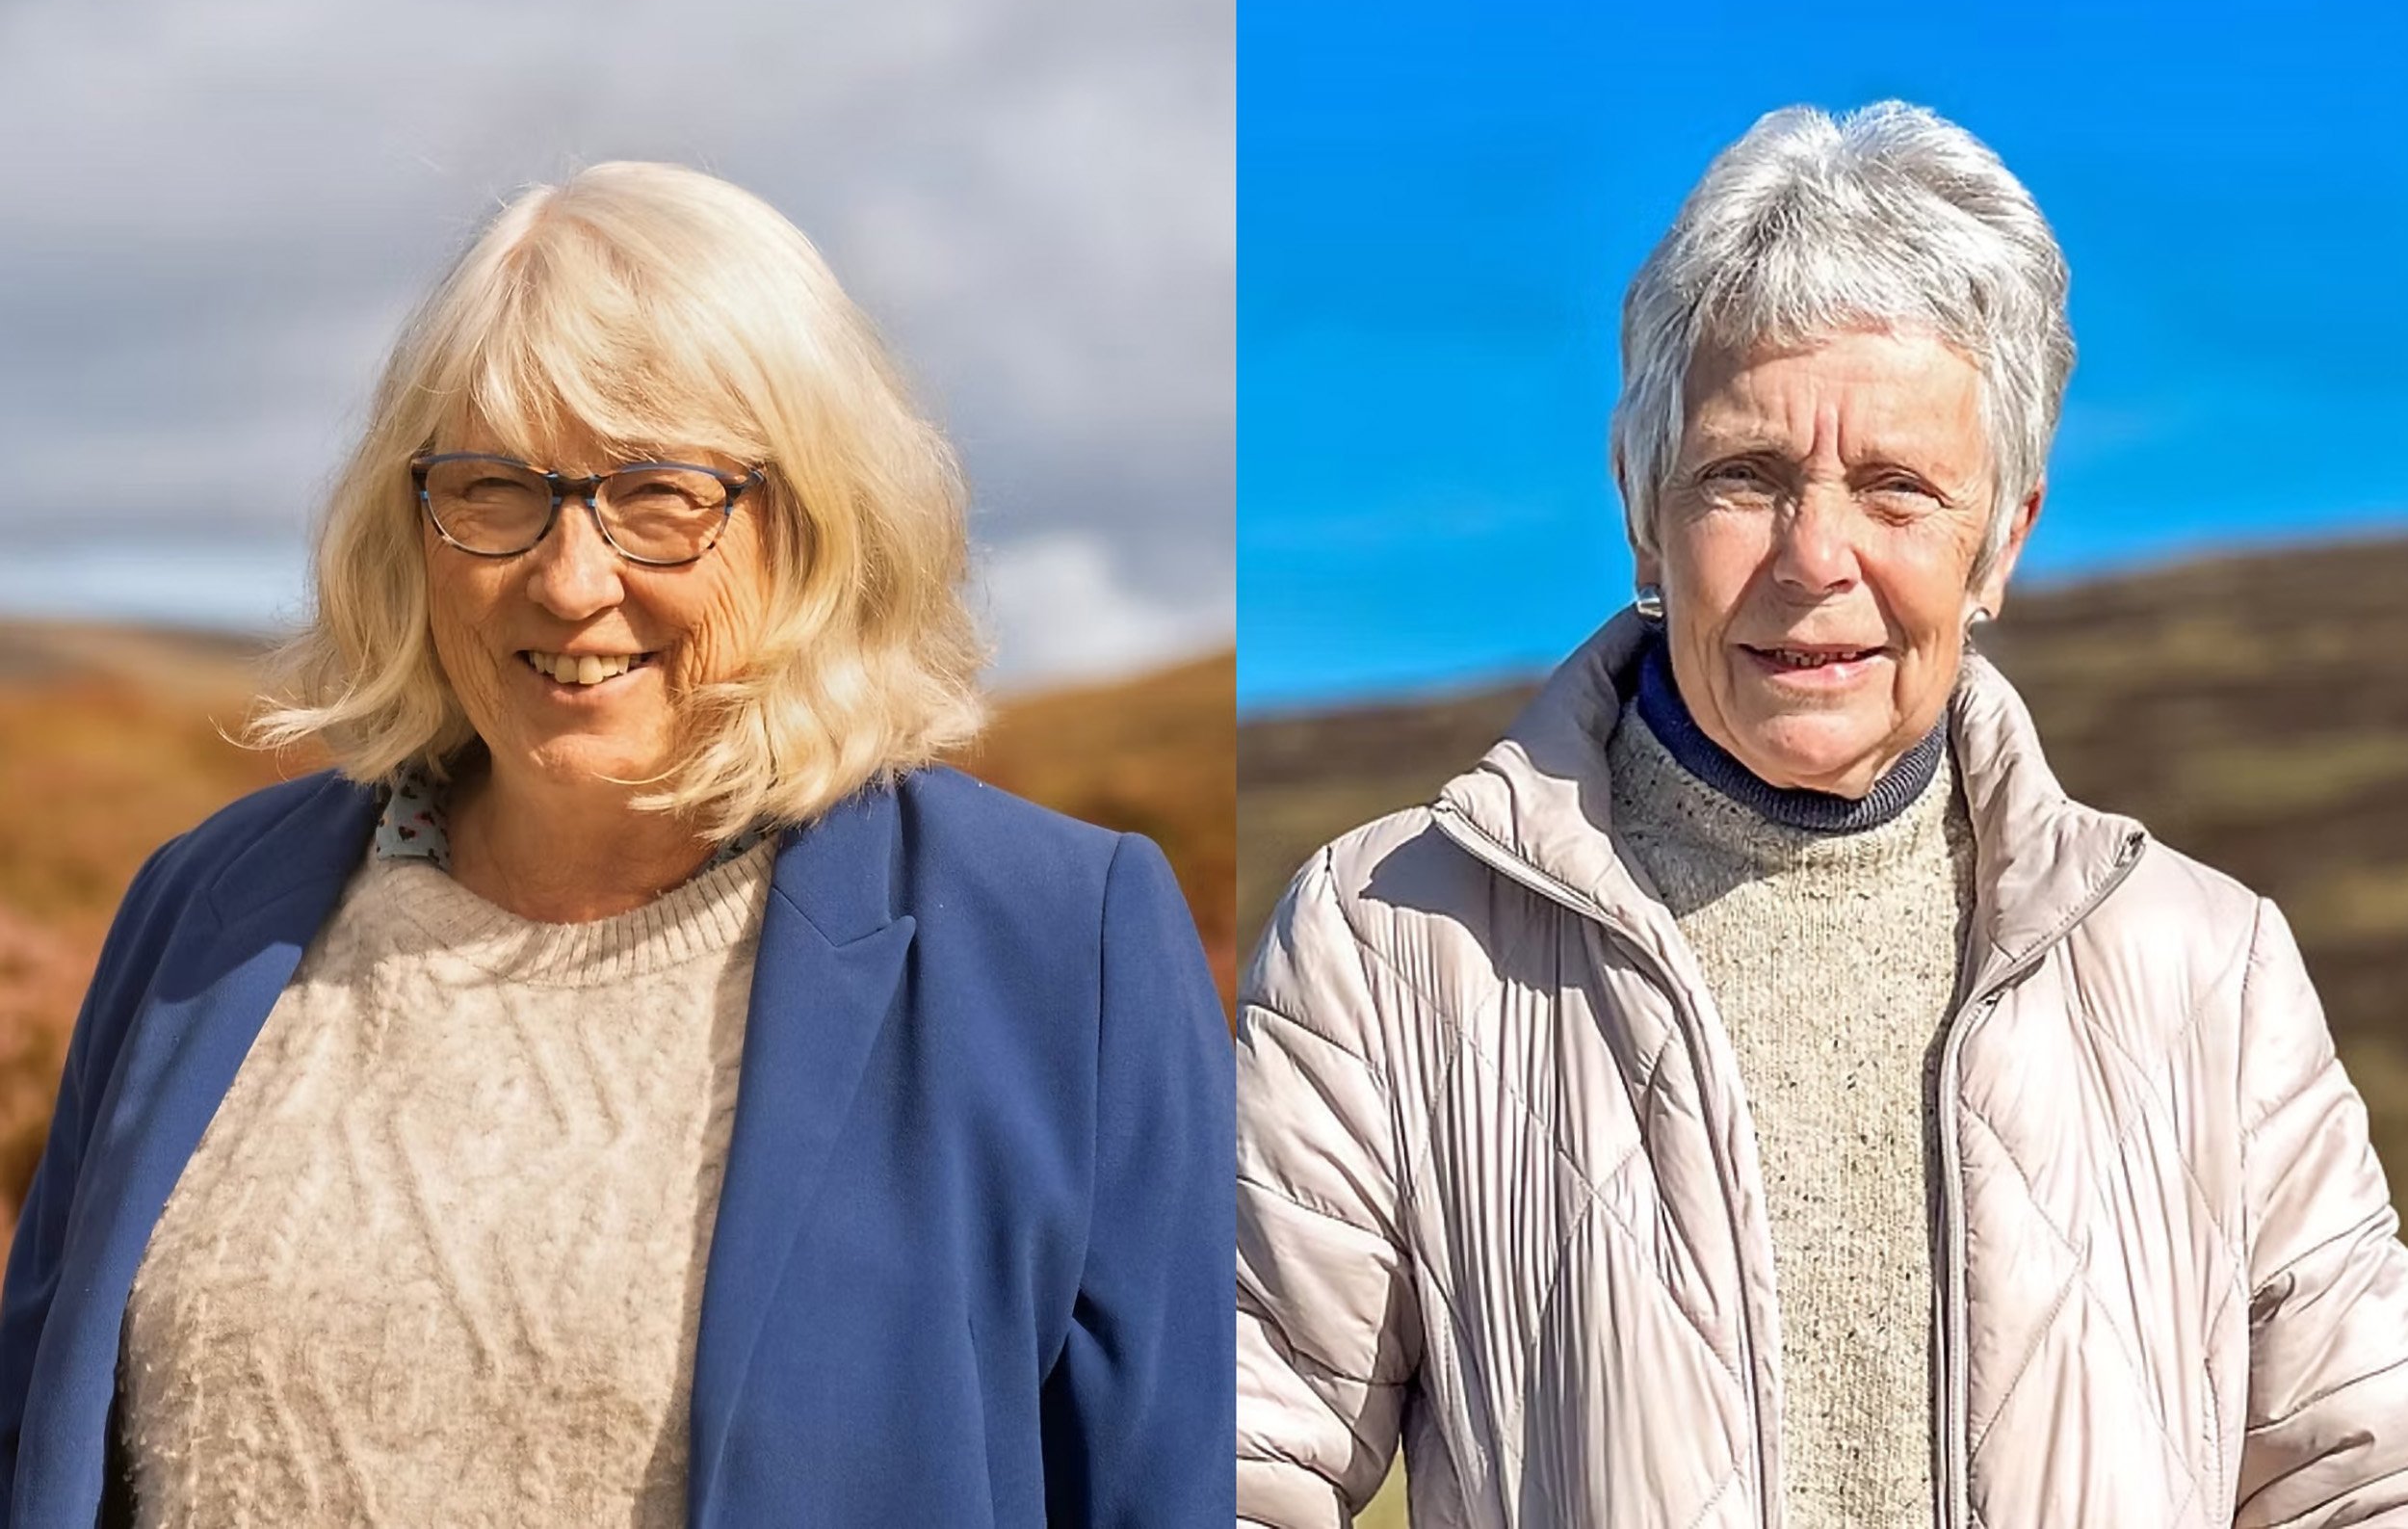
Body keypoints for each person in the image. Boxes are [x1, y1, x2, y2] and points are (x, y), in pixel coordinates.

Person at [0, 162, 1233, 1527]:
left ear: (817, 524)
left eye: (661, 497)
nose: (572, 578)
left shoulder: (1060, 941)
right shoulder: (206, 909)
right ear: (410, 525)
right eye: (494, 490)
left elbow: (1162, 1484)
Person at [1235, 103, 2408, 1527]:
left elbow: (2360, 1482)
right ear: (1638, 504)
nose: (1816, 557)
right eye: (1747, 476)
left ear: (2006, 536)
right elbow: (1238, 1462)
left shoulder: (2207, 971)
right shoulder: (1387, 945)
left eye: (1899, 492)